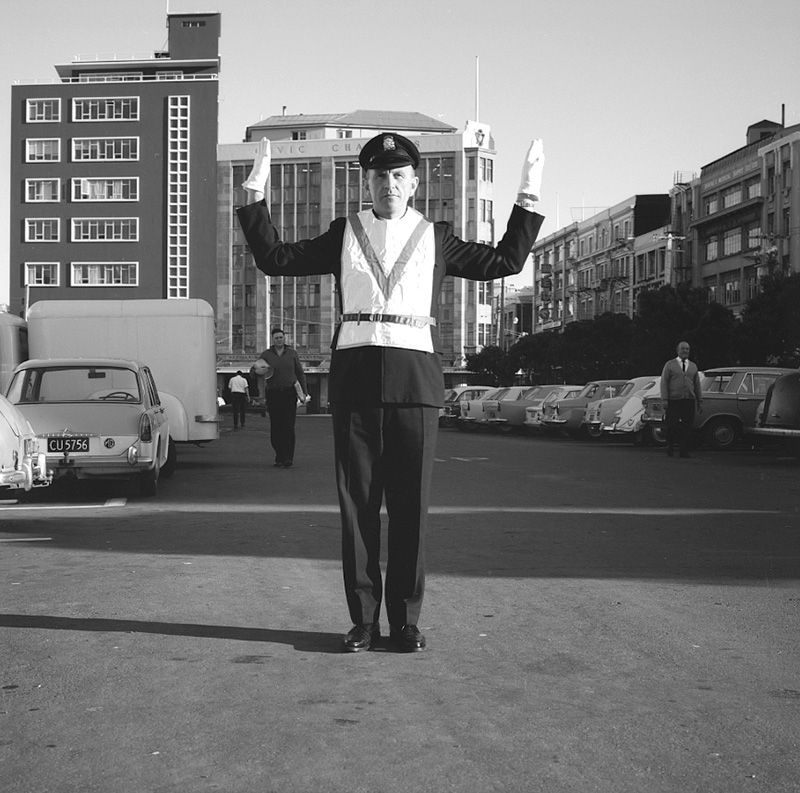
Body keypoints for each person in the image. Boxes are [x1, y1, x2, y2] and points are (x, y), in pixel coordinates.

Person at [237, 132, 545, 653]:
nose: (389, 184)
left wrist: (528, 198)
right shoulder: (345, 232)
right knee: (358, 508)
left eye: (399, 175)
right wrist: (255, 194)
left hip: (415, 382)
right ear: (368, 183)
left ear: (414, 183)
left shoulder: (436, 236)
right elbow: (276, 259)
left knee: (410, 510)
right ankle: (362, 621)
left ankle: (405, 621)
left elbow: (504, 263)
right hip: (356, 379)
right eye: (380, 176)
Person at [258, 328, 308, 468]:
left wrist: (304, 392)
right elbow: (254, 371)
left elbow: (300, 373)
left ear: (284, 338)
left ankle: (288, 457)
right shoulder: (266, 354)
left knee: (288, 426)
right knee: (276, 427)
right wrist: (257, 371)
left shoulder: (292, 353)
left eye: (281, 337)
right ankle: (279, 455)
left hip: (289, 393)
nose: (279, 340)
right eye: (276, 338)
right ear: (272, 340)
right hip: (273, 394)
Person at [660, 340, 703, 458]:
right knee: (672, 424)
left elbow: (697, 385)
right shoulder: (670, 365)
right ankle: (670, 445)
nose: (685, 351)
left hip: (689, 400)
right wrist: (664, 399)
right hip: (674, 400)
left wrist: (699, 401)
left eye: (687, 349)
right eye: (683, 348)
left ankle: (684, 450)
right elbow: (664, 382)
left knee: (687, 426)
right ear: (678, 350)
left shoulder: (693, 366)